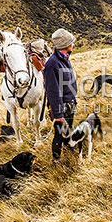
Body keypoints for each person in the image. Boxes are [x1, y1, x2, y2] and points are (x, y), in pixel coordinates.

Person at [44, 28, 78, 161]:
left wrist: (73, 101)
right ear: (65, 45)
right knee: (59, 134)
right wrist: (58, 115)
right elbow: (53, 91)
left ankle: (68, 147)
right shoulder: (52, 64)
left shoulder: (64, 58)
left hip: (69, 103)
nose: (73, 44)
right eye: (71, 42)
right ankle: (57, 159)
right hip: (61, 107)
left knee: (68, 129)